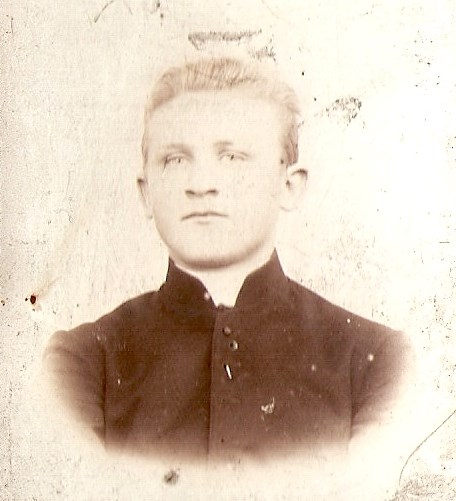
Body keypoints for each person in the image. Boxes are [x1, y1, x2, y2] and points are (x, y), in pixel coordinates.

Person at [43, 56, 414, 468]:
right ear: (146, 194)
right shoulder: (83, 363)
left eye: (233, 157)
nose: (202, 185)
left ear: (289, 186)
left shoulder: (377, 362)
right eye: (175, 160)